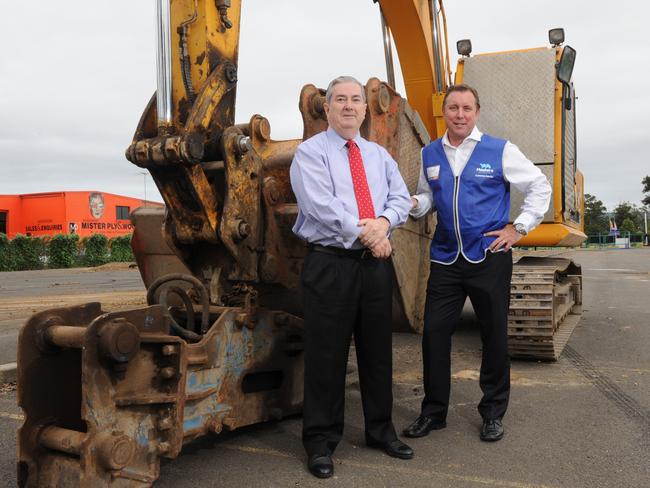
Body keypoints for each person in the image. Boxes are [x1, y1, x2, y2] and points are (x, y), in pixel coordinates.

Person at [403, 84, 551, 442]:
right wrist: (414, 205)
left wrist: (519, 228)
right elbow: (428, 198)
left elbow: (540, 185)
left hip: (489, 258)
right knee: (435, 335)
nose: (459, 114)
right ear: (445, 112)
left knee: (494, 336)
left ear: (477, 112)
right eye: (453, 107)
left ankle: (493, 413)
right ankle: (434, 412)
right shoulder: (430, 154)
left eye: (467, 108)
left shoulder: (499, 150)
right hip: (445, 259)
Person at [290, 75, 414, 478]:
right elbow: (320, 205)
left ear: (364, 108)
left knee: (378, 352)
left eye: (355, 100)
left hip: (374, 265)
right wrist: (370, 234)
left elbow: (400, 198)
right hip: (331, 264)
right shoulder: (310, 154)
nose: (348, 106)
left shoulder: (378, 156)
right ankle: (321, 443)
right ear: (326, 109)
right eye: (339, 100)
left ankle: (381, 431)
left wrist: (382, 223)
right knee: (327, 357)